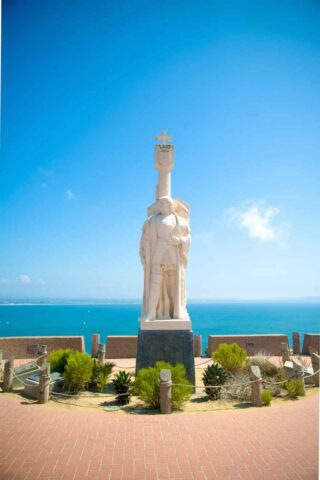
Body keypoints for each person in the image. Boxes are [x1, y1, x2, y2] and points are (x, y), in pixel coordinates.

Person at [140, 196, 191, 321]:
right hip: (159, 250)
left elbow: (188, 239)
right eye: (161, 204)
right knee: (155, 282)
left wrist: (179, 240)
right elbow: (146, 238)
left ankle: (177, 311)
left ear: (172, 206)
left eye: (166, 204)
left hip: (173, 253)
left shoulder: (180, 221)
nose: (163, 206)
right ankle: (151, 313)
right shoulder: (153, 221)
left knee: (174, 283)